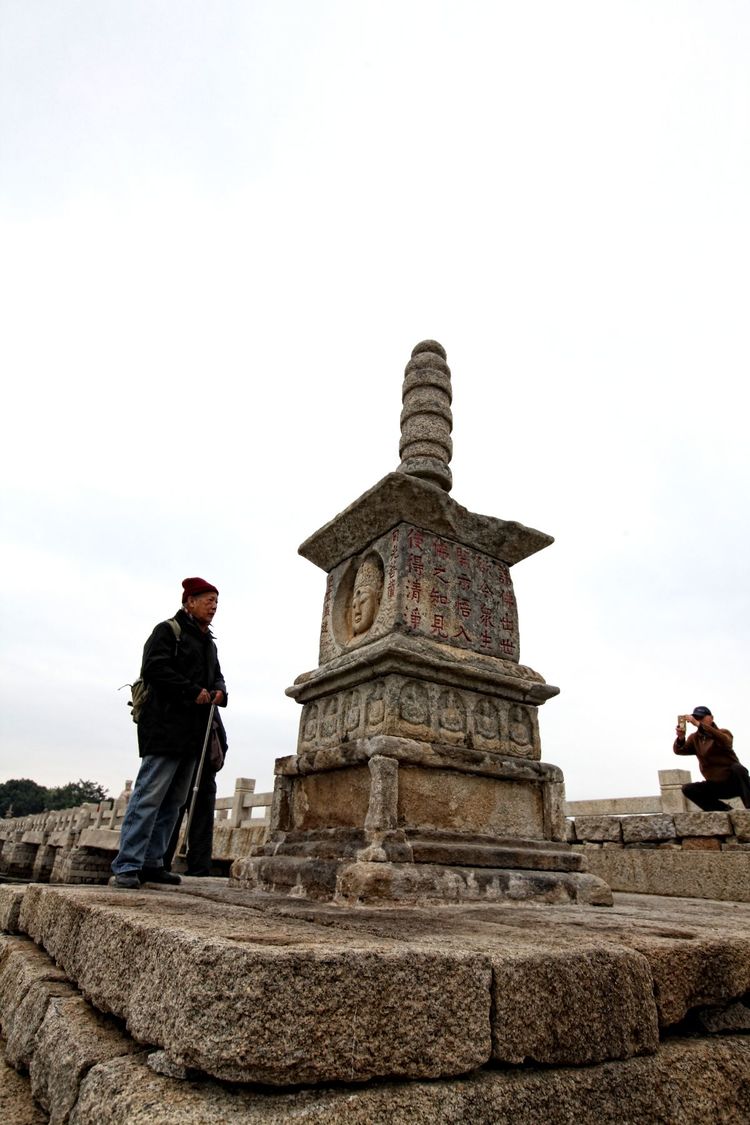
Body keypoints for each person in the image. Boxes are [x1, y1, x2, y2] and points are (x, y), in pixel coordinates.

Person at [111, 577, 228, 888]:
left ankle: (153, 862)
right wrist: (191, 691)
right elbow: (154, 669)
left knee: (174, 802)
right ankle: (127, 863)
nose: (213, 606)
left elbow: (217, 677)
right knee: (149, 796)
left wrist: (219, 692)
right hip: (164, 728)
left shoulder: (209, 643)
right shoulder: (167, 631)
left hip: (194, 734)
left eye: (216, 601)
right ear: (189, 601)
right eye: (208, 600)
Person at [162, 710, 228, 877]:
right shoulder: (208, 711)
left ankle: (170, 863)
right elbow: (222, 742)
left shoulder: (209, 711)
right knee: (177, 816)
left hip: (199, 771)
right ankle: (168, 863)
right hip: (193, 768)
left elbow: (221, 740)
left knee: (179, 815)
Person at [673, 706, 750, 811]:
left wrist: (700, 725)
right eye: (696, 718)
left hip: (735, 783)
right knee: (688, 789)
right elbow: (679, 750)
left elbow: (726, 742)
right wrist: (681, 738)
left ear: (711, 718)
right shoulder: (694, 738)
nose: (699, 720)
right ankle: (724, 810)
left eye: (701, 718)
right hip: (715, 785)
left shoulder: (724, 733)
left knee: (738, 768)